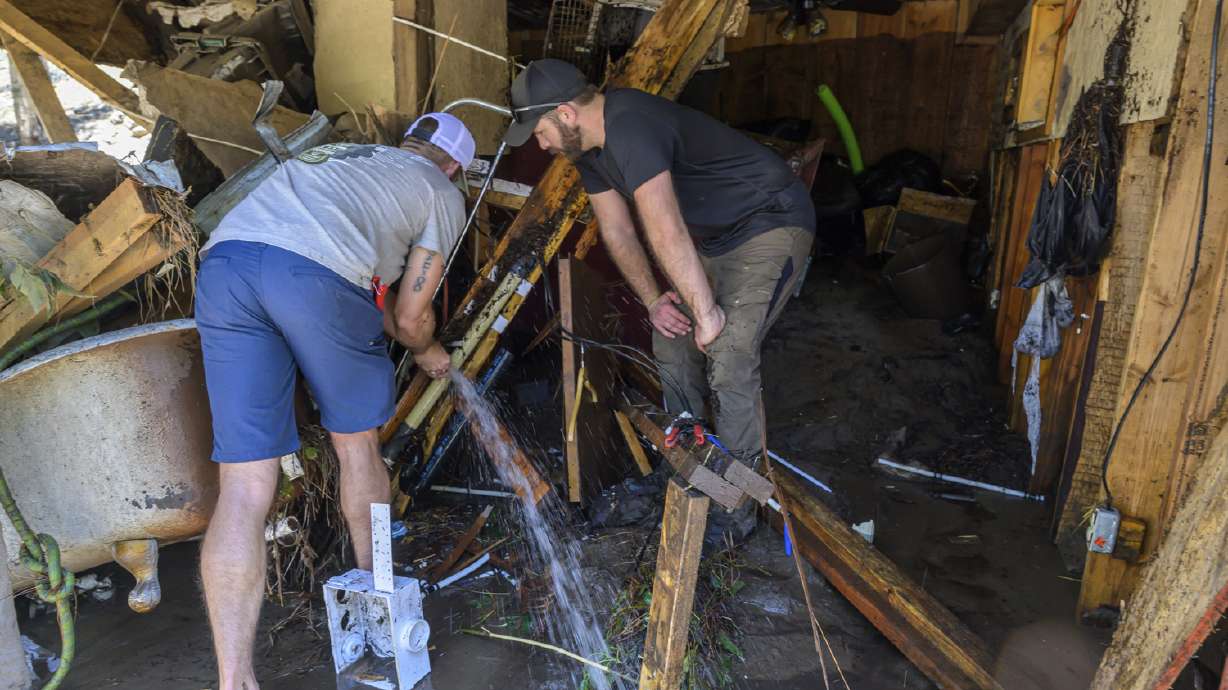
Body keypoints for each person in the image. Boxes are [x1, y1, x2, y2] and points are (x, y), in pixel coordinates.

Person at [193, 113, 474, 690]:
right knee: (356, 447)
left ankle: (234, 677)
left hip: (226, 267)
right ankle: (380, 612)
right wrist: (429, 353)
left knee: (245, 485)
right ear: (454, 167)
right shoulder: (440, 190)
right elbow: (409, 317)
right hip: (312, 275)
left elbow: (383, 296)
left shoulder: (348, 158)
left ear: (409, 144)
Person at [505, 59, 816, 541]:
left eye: (540, 130)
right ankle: (692, 472)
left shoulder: (632, 124)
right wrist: (655, 302)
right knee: (671, 338)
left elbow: (664, 225)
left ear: (566, 113)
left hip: (771, 223)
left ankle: (737, 509)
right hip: (715, 241)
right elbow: (618, 230)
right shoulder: (589, 152)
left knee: (729, 352)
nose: (540, 144)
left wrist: (709, 313)